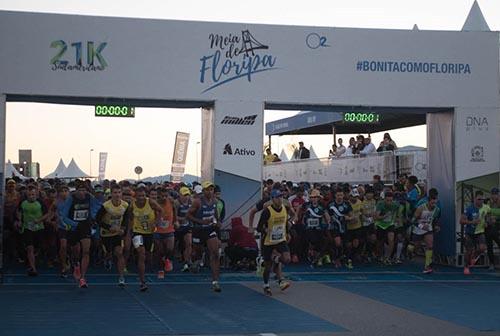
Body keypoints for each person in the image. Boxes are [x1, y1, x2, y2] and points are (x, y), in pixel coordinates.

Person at [61, 181, 101, 288]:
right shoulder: (71, 199)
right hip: (74, 227)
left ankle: (83, 278)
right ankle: (76, 264)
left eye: (84, 190)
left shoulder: (89, 197)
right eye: (80, 190)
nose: (82, 192)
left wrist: (92, 218)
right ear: (76, 190)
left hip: (85, 226)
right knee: (76, 250)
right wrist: (74, 224)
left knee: (86, 251)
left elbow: (97, 207)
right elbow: (63, 217)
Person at [187, 181, 222, 292]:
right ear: (203, 191)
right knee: (197, 252)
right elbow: (188, 215)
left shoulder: (215, 201)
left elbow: (215, 214)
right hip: (198, 230)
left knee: (215, 253)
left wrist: (217, 222)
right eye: (207, 189)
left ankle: (215, 281)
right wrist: (201, 221)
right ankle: (195, 261)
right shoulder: (197, 202)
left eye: (211, 189)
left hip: (209, 230)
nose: (210, 191)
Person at [128, 185, 163, 291]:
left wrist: (156, 223)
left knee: (148, 255)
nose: (141, 198)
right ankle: (142, 282)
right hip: (137, 232)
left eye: (143, 195)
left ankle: (146, 270)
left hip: (149, 232)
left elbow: (160, 211)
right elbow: (129, 217)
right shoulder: (132, 205)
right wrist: (129, 231)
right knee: (141, 254)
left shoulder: (150, 202)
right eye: (139, 196)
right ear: (136, 196)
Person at [257, 189, 292, 296]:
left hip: (280, 239)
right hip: (268, 241)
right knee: (268, 267)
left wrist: (287, 232)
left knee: (287, 259)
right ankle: (266, 285)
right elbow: (259, 227)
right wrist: (265, 230)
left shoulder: (285, 209)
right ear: (272, 199)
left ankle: (276, 258)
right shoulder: (267, 211)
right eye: (277, 197)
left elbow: (285, 222)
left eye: (281, 197)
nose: (280, 199)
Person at [95, 184, 130, 286]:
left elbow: (126, 219)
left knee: (119, 253)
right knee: (109, 253)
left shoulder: (125, 205)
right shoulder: (106, 206)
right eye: (115, 193)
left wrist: (123, 229)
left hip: (117, 233)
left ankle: (121, 277)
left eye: (119, 192)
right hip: (106, 233)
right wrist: (109, 227)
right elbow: (97, 219)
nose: (117, 195)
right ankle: (107, 258)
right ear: (111, 194)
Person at [16, 185, 50, 276]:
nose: (31, 196)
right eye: (30, 195)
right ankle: (33, 268)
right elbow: (19, 211)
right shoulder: (23, 202)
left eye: (33, 195)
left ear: (36, 195)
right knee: (29, 248)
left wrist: (39, 220)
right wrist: (19, 220)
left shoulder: (40, 203)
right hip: (27, 228)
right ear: (27, 195)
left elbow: (47, 214)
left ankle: (36, 259)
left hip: (39, 228)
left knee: (39, 247)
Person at [299, 189, 330, 267]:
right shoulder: (306, 205)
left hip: (319, 227)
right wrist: (299, 217)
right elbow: (300, 209)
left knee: (321, 241)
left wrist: (328, 221)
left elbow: (326, 215)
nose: (314, 199)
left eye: (316, 197)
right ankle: (311, 253)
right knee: (312, 240)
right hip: (308, 227)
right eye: (313, 197)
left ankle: (317, 257)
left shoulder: (322, 206)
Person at [411, 193, 440, 274]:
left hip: (428, 229)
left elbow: (435, 219)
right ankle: (411, 252)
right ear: (428, 201)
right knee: (416, 246)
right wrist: (421, 226)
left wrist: (437, 226)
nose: (433, 205)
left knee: (430, 245)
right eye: (432, 203)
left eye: (435, 203)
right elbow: (413, 220)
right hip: (418, 229)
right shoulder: (421, 208)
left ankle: (427, 266)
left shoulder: (437, 209)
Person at [460, 190, 488, 275]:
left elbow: (488, 217)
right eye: (479, 199)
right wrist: (472, 222)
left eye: (482, 199)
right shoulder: (469, 208)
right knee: (468, 250)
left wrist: (488, 222)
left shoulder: (486, 207)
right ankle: (466, 266)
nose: (481, 201)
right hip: (470, 232)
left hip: (480, 232)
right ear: (475, 199)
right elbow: (461, 221)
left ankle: (474, 256)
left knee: (483, 248)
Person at [154, 188, 176, 279]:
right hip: (157, 230)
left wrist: (176, 221)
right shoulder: (154, 203)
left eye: (165, 196)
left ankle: (167, 259)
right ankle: (160, 270)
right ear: (158, 196)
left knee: (170, 248)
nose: (164, 198)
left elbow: (174, 210)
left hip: (169, 229)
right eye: (161, 196)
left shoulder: (170, 201)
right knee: (159, 251)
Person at [328, 188, 353, 268]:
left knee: (348, 244)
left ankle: (346, 258)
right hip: (335, 227)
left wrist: (348, 218)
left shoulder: (347, 204)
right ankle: (336, 259)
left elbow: (351, 215)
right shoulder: (331, 204)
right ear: (335, 195)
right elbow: (327, 216)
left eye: (341, 195)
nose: (340, 197)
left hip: (344, 226)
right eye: (338, 195)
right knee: (338, 243)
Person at [374, 191, 399, 265]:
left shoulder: (395, 205)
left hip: (390, 224)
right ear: (384, 199)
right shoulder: (380, 204)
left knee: (391, 239)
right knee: (379, 242)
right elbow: (376, 217)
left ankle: (388, 257)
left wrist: (395, 220)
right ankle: (380, 255)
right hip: (380, 224)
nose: (389, 202)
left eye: (391, 200)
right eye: (387, 200)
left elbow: (396, 213)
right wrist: (384, 216)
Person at [174, 186, 193, 272]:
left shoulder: (191, 202)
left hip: (187, 226)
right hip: (177, 227)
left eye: (187, 195)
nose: (186, 197)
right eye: (184, 195)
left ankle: (187, 261)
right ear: (180, 195)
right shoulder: (176, 203)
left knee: (188, 243)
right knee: (173, 246)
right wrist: (181, 219)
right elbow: (173, 217)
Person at [486, 187, 500, 271]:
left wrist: (496, 219)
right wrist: (488, 220)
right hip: (491, 224)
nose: (494, 196)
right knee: (488, 239)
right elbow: (486, 214)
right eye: (492, 194)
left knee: (492, 233)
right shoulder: (489, 204)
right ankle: (491, 263)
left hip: (498, 223)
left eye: (495, 194)